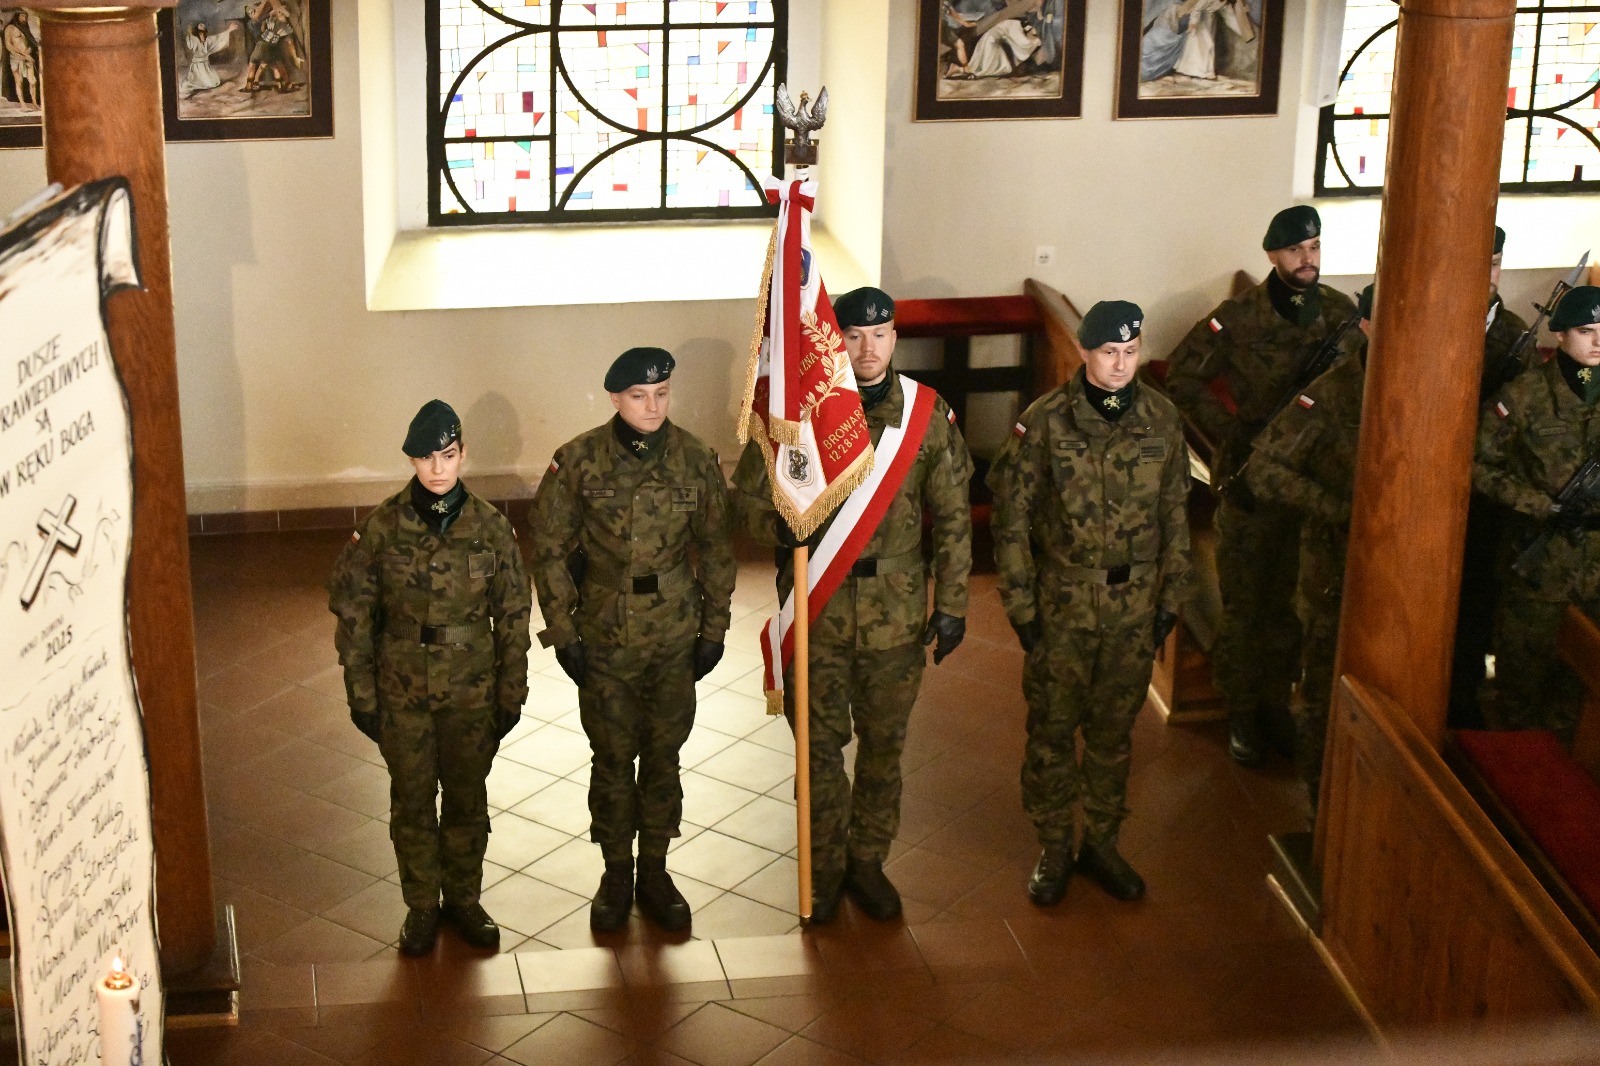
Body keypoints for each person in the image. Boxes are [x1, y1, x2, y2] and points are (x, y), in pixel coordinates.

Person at [732, 286, 973, 923]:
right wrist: (781, 524)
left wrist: (952, 603)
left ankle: (867, 862)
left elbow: (953, 517)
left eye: (881, 335)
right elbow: (745, 502)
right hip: (819, 613)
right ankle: (824, 866)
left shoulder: (926, 415)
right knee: (817, 753)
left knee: (883, 749)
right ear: (834, 339)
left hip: (896, 618)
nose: (868, 349)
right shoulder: (797, 415)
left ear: (895, 338)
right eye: (855, 336)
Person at [988, 300, 1191, 905]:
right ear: (1083, 351)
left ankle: (1102, 844)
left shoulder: (1161, 419)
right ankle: (1055, 846)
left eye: (1131, 351)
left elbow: (1176, 516)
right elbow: (1011, 521)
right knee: (1052, 731)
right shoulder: (1046, 421)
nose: (1121, 364)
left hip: (1134, 608)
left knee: (1113, 733)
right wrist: (1022, 608)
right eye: (1108, 352)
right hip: (1064, 606)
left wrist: (1171, 597)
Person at [530, 348, 736, 933]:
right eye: (639, 397)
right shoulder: (578, 461)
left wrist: (714, 628)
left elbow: (717, 549)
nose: (653, 407)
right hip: (605, 630)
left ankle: (656, 870)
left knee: (665, 754)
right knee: (614, 756)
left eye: (662, 394)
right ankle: (617, 871)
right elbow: (548, 549)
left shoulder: (695, 459)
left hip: (674, 630)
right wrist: (562, 631)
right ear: (615, 398)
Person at [327, 400, 531, 956]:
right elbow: (353, 615)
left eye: (448, 455)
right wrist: (362, 695)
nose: (438, 469)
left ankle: (463, 899)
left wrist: (511, 691)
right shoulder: (380, 529)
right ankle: (421, 905)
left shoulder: (492, 530)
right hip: (403, 693)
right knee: (412, 802)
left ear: (463, 455)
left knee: (467, 799)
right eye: (426, 458)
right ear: (412, 460)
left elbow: (514, 616)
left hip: (471, 691)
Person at [1164, 205, 1360, 767]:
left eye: (1314, 247)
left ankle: (1281, 706)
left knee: (1298, 602)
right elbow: (1183, 374)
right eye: (1296, 250)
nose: (1308, 259)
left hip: (1311, 482)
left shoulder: (1340, 314)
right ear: (1273, 255)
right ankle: (1243, 713)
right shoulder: (1240, 316)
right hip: (1252, 477)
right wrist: (1232, 432)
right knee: (1248, 602)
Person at [1247, 284, 1371, 810]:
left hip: (1399, 574)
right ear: (1366, 325)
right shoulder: (1333, 393)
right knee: (1322, 691)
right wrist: (1334, 506)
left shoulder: (1428, 386)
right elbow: (1264, 470)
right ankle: (1321, 806)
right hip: (1334, 570)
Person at [1475, 285, 1600, 737]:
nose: (1598, 342)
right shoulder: (1525, 395)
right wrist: (1541, 506)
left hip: (1596, 570)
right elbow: (1478, 466)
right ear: (1561, 334)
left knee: (1580, 691)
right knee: (1521, 689)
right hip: (1539, 566)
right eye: (1586, 330)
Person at [1451, 226, 1534, 727]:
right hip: (1435, 481)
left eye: (1496, 262)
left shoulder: (1515, 334)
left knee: (1478, 593)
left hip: (1485, 492)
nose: (1488, 274)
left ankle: (1463, 694)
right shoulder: (1439, 319)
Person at [179, 21, 236, 98]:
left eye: (203, 31)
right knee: (195, 82)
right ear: (197, 32)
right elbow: (190, 42)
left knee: (214, 82)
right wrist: (189, 33)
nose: (202, 34)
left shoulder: (208, 40)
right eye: (200, 32)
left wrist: (229, 30)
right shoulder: (194, 40)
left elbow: (218, 38)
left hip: (205, 65)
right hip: (197, 65)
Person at [3, 12, 39, 108]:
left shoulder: (25, 28)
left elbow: (31, 42)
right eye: (22, 16)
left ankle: (34, 103)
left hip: (27, 57)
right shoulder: (10, 28)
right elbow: (8, 45)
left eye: (25, 16)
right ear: (17, 16)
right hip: (16, 57)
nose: (24, 18)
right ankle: (23, 105)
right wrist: (22, 54)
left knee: (33, 81)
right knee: (19, 81)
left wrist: (27, 53)